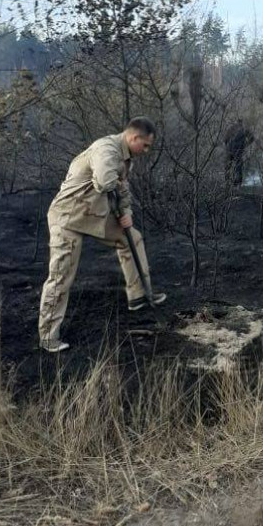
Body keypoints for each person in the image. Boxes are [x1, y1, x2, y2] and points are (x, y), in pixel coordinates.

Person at [38, 117, 166, 353]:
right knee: (61, 275)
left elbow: (122, 189)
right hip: (67, 218)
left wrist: (126, 213)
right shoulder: (106, 149)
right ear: (133, 137)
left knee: (132, 238)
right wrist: (119, 203)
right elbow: (105, 182)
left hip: (92, 214)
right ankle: (48, 335)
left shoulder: (126, 157)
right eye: (145, 145)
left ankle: (138, 295)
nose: (146, 151)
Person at [224, 117, 254, 187]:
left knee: (228, 167)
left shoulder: (231, 128)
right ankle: (238, 184)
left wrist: (228, 146)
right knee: (238, 168)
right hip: (239, 151)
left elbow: (225, 139)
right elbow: (252, 138)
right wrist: (245, 144)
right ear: (241, 122)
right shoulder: (244, 129)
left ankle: (227, 182)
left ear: (236, 121)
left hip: (230, 150)